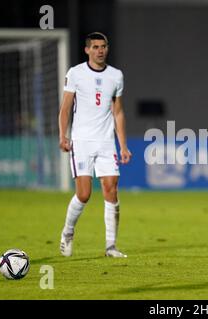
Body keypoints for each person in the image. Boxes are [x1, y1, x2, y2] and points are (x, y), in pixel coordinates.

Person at [58, 32, 132, 258]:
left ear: (107, 49)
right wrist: (63, 135)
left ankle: (111, 246)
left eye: (103, 46)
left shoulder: (116, 75)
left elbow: (117, 112)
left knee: (111, 189)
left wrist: (123, 145)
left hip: (106, 141)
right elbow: (65, 108)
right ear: (87, 50)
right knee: (84, 194)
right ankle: (67, 233)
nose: (100, 50)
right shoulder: (76, 73)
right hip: (81, 141)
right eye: (96, 47)